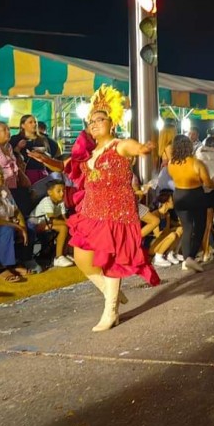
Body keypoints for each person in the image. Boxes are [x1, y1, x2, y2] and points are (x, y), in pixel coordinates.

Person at [65, 85, 160, 332]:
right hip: (91, 211)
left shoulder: (118, 145)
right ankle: (112, 292)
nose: (94, 124)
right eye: (91, 120)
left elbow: (132, 147)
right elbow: (67, 166)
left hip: (115, 211)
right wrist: (47, 161)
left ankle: (111, 310)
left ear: (112, 122)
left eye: (100, 119)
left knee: (109, 262)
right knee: (80, 256)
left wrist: (142, 149)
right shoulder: (90, 152)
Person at [168, 134, 214, 272]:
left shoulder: (171, 163)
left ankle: (187, 260)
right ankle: (190, 257)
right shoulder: (196, 163)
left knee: (187, 228)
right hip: (195, 195)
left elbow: (173, 177)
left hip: (179, 195)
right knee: (200, 227)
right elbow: (207, 182)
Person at [27, 178, 73, 267]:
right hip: (35, 223)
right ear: (50, 192)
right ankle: (58, 257)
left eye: (63, 190)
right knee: (64, 227)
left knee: (69, 227)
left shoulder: (61, 202)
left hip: (47, 222)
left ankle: (65, 252)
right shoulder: (47, 201)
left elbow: (63, 217)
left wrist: (69, 223)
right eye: (58, 191)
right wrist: (68, 223)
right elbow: (52, 219)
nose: (62, 193)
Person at [10, 114, 61, 185]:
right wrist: (18, 147)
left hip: (42, 172)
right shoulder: (15, 139)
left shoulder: (43, 139)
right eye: (30, 122)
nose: (34, 124)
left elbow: (50, 156)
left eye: (35, 122)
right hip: (24, 173)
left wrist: (43, 153)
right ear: (23, 125)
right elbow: (10, 156)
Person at [0, 167, 30, 282]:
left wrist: (23, 228)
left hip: (8, 223)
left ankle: (22, 261)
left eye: (1, 173)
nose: (1, 176)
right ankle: (2, 268)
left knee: (30, 225)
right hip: (4, 226)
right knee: (6, 230)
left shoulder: (5, 190)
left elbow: (16, 211)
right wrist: (16, 226)